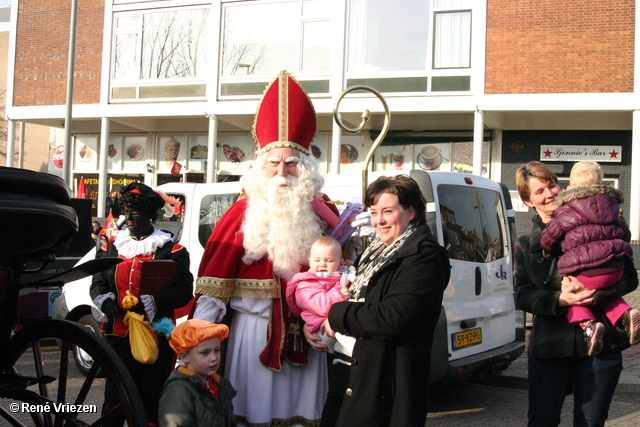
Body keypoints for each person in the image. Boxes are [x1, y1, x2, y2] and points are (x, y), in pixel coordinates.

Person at [192, 71, 340, 426]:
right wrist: (196, 339)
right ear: (262, 166)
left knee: (304, 417)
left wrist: (329, 324)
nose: (282, 171)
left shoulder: (325, 214)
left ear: (305, 168)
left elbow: (343, 278)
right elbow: (214, 288)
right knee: (251, 415)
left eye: (291, 163)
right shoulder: (240, 214)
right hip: (252, 337)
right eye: (274, 162)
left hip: (309, 334)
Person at [310, 175, 451, 427]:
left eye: (388, 211)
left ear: (411, 212)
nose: (379, 221)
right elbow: (352, 295)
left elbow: (392, 318)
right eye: (374, 212)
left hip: (387, 381)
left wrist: (336, 316)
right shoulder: (373, 251)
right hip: (350, 370)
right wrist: (316, 325)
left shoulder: (424, 257)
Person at [514, 161, 638, 427]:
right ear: (528, 201)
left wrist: (596, 294)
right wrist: (559, 300)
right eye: (539, 191)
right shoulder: (526, 243)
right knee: (542, 421)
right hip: (550, 348)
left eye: (552, 185)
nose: (549, 194)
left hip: (602, 347)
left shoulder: (605, 225)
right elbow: (521, 294)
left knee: (591, 422)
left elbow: (628, 277)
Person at [90, 182, 194, 426]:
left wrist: (152, 302)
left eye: (135, 214)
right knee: (114, 397)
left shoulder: (173, 250)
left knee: (151, 397)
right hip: (117, 337)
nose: (129, 219)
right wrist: (107, 304)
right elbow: (97, 285)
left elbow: (183, 292)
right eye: (126, 214)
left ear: (149, 216)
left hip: (156, 336)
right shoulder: (111, 248)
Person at [540, 161, 639, 356]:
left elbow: (550, 237)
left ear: (571, 186)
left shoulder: (566, 209)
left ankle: (589, 326)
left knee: (574, 294)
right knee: (609, 296)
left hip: (586, 271)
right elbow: (625, 234)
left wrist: (548, 250)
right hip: (615, 268)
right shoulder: (613, 208)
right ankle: (626, 313)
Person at [159, 319, 237, 427]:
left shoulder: (220, 384)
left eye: (217, 350)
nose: (214, 358)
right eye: (205, 353)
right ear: (184, 357)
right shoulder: (179, 389)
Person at [286, 236, 352, 352]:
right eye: (317, 260)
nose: (322, 264)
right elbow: (320, 306)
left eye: (329, 260)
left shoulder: (339, 276)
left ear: (340, 262)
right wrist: (339, 294)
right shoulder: (305, 284)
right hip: (318, 328)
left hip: (335, 320)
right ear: (309, 261)